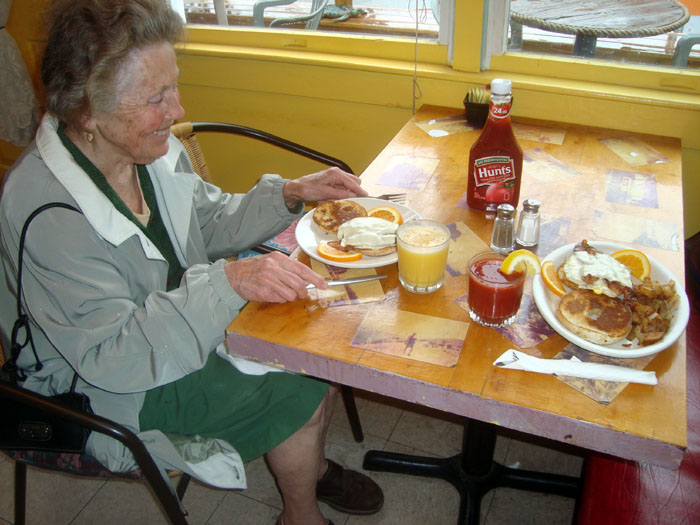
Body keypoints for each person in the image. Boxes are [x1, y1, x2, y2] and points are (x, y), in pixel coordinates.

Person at [0, 1, 383, 524]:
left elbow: (206, 220)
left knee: (315, 333)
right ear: (87, 111)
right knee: (301, 380)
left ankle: (307, 463)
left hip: (178, 321)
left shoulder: (144, 150)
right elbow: (112, 356)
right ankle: (300, 510)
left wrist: (289, 194)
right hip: (105, 388)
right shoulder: (48, 212)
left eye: (174, 87)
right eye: (155, 97)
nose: (177, 110)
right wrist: (225, 285)